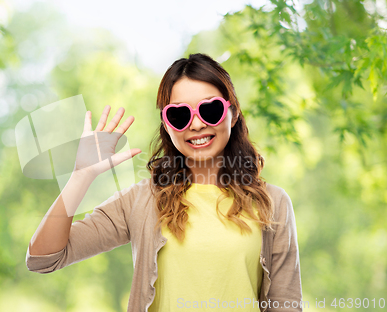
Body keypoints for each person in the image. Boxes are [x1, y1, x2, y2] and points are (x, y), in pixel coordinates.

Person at [26, 53, 303, 312]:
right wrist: (80, 175)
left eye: (210, 110)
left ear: (233, 112)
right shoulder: (141, 201)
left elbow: (287, 303)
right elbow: (43, 258)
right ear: (167, 125)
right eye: (180, 115)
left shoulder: (273, 204)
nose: (195, 125)